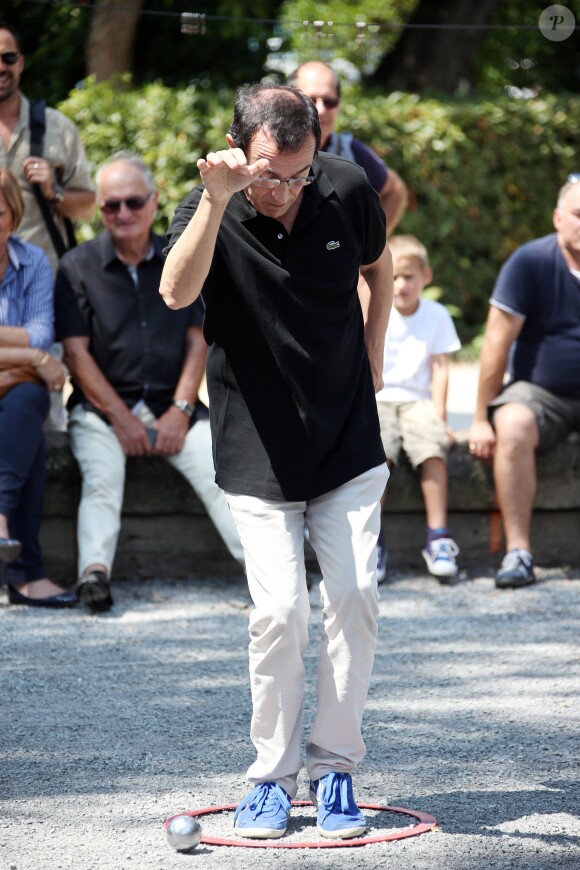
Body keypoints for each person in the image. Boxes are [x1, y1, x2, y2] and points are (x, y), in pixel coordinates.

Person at [161, 83, 392, 841]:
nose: (283, 193)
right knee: (280, 614)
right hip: (254, 445)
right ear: (236, 148)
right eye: (267, 174)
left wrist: (375, 354)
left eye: (297, 175)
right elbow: (174, 293)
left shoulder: (347, 188)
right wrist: (220, 199)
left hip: (347, 439)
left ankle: (334, 770)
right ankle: (269, 776)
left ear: (315, 154)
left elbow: (378, 269)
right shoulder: (211, 201)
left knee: (355, 600)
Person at [54, 153, 244, 613]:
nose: (122, 214)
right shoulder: (75, 266)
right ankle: (93, 576)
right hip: (101, 411)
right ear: (98, 209)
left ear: (154, 202)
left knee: (223, 477)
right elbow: (76, 354)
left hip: (172, 405)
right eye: (110, 206)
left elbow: (199, 337)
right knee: (101, 479)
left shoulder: (182, 255)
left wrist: (180, 411)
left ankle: (272, 577)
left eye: (133, 202)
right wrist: (120, 418)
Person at [468, 175, 580, 590]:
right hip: (539, 391)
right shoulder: (530, 261)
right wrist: (480, 417)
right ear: (557, 218)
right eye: (578, 215)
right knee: (511, 424)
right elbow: (496, 343)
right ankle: (519, 552)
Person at [0, 169, 76, 607]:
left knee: (27, 404)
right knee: (29, 404)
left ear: (14, 213)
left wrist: (32, 354)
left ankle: (4, 529)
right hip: (21, 378)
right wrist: (29, 361)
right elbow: (34, 350)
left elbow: (41, 334)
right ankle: (26, 573)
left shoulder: (32, 261)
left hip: (15, 392)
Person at [375, 235, 461, 582]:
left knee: (432, 448)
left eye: (408, 276)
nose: (400, 285)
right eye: (393, 276)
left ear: (425, 276)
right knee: (375, 456)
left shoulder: (437, 315)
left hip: (418, 400)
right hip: (379, 397)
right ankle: (372, 542)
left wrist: (440, 417)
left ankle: (438, 536)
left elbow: (440, 368)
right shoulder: (375, 309)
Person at [0, 20, 95, 274]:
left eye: (7, 57)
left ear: (20, 63)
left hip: (48, 280)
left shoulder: (58, 127)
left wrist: (54, 192)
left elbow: (88, 208)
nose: (1, 67)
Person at [287, 61, 407, 233]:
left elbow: (395, 191)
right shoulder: (266, 149)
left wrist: (370, 250)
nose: (321, 110)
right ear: (288, 101)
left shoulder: (352, 152)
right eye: (310, 100)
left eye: (329, 102)